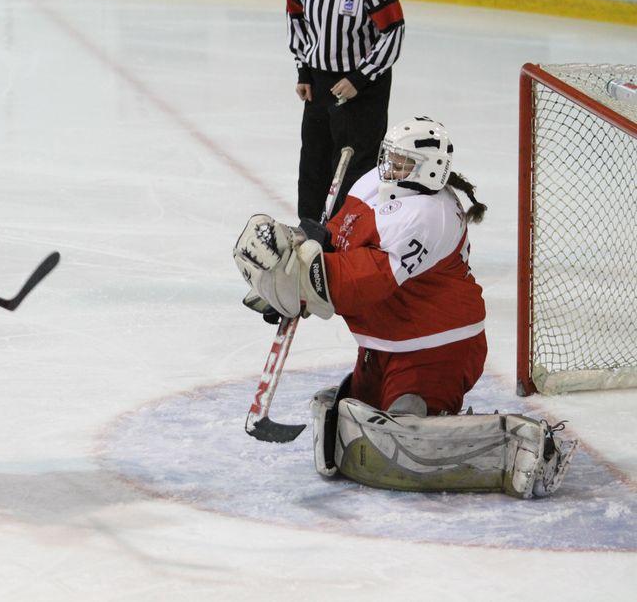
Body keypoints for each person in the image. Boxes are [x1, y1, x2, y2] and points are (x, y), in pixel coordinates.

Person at [234, 116, 576, 499]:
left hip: (438, 347)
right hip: (384, 341)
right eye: (389, 157)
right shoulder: (372, 184)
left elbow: (363, 282)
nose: (389, 167)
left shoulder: (432, 214)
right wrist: (300, 256)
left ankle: (519, 442)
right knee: (361, 426)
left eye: (402, 162)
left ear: (431, 169)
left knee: (405, 437)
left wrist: (300, 280)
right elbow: (341, 243)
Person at [287, 0, 404, 224]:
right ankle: (310, 230)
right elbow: (296, 18)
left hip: (362, 91)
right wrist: (304, 69)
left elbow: (394, 30)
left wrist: (360, 77)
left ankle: (347, 235)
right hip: (319, 84)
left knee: (356, 169)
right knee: (314, 160)